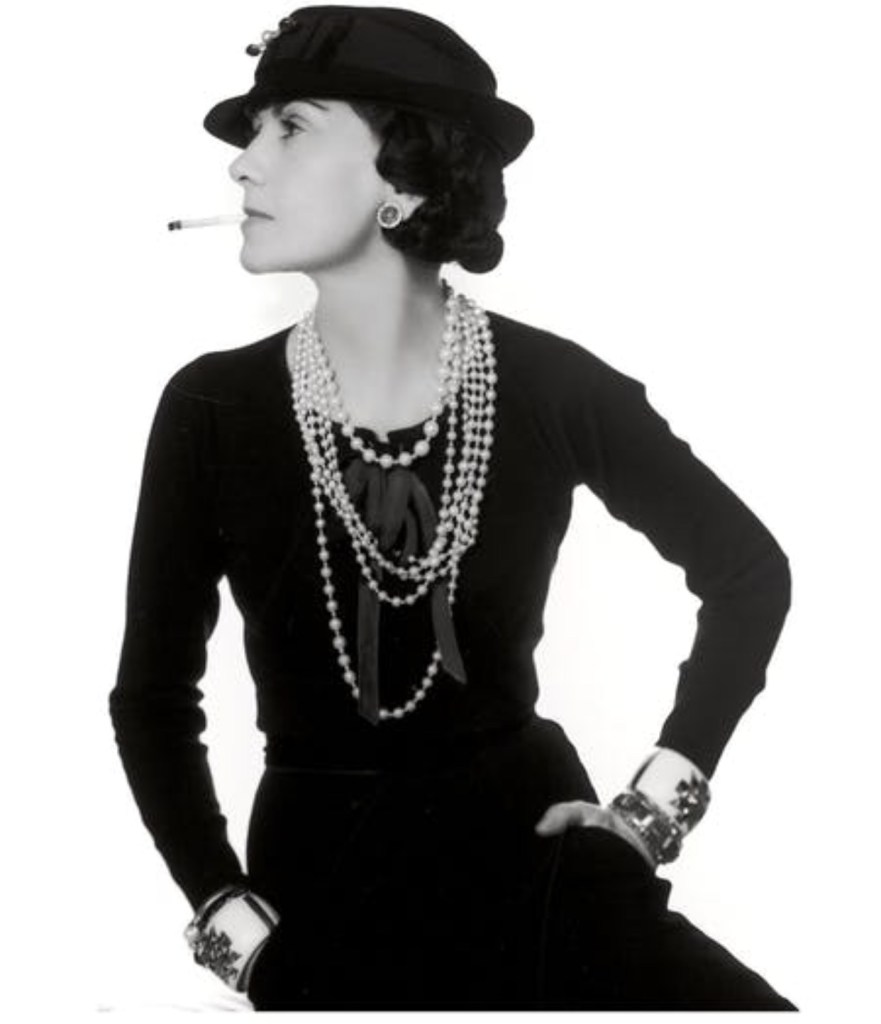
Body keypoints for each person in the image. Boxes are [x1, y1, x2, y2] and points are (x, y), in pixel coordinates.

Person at [109, 5, 795, 1011]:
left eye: (290, 127)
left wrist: (648, 814)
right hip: (321, 906)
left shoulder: (551, 385)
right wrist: (233, 925)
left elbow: (747, 573)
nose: (242, 165)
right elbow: (151, 699)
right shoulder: (213, 407)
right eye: (253, 133)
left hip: (546, 870)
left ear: (403, 179)